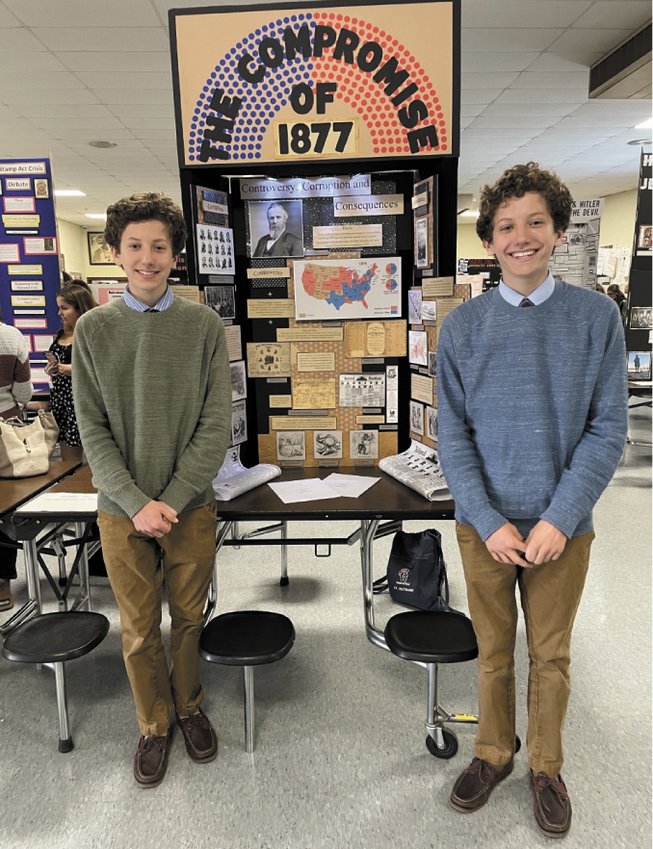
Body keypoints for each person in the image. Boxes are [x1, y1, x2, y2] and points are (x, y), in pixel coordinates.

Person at [436, 162, 627, 839]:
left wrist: (558, 517)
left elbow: (609, 428)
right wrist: (486, 519)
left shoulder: (596, 318)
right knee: (493, 649)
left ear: (555, 229)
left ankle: (545, 763)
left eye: (534, 223)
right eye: (505, 226)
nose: (520, 237)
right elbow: (450, 436)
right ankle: (492, 751)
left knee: (550, 653)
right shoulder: (460, 329)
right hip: (482, 525)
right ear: (489, 239)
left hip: (560, 527)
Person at [73, 192, 231, 788]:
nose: (147, 258)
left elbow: (216, 425)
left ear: (175, 254)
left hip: (190, 504)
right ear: (116, 254)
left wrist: (173, 495)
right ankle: (154, 723)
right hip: (121, 510)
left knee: (189, 618)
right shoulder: (93, 330)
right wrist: (138, 503)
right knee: (138, 628)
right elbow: (92, 429)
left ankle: (189, 706)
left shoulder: (203, 325)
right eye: (135, 247)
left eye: (158, 247)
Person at [0, 316, 33, 611]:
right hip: (5, 430)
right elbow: (24, 393)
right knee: (5, 509)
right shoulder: (10, 337)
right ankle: (2, 584)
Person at [46, 283, 97, 461]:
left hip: (82, 400)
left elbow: (101, 368)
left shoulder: (93, 334)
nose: (59, 313)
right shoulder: (61, 334)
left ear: (80, 307)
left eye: (64, 308)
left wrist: (70, 370)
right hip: (61, 401)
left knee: (92, 457)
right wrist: (52, 369)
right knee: (68, 461)